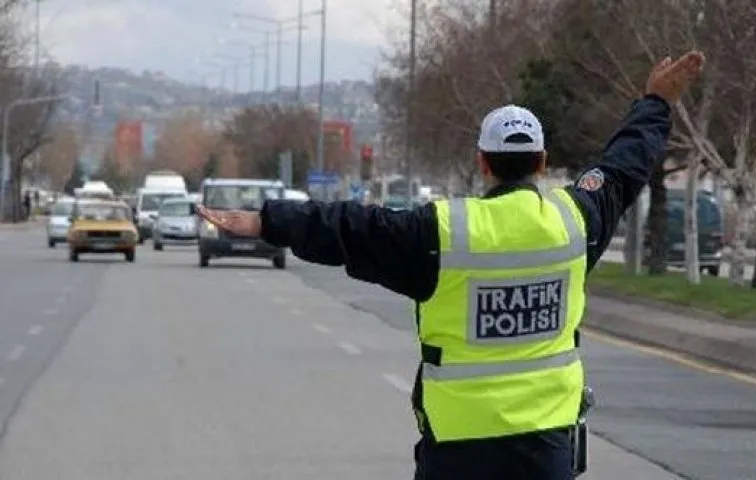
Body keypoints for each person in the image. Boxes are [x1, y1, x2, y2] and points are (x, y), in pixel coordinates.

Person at [197, 51, 706, 480]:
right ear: (543, 162)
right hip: (547, 450)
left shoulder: (441, 232)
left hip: (460, 449)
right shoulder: (575, 222)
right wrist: (657, 101)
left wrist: (266, 220)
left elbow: (347, 227)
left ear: (482, 163)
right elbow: (623, 165)